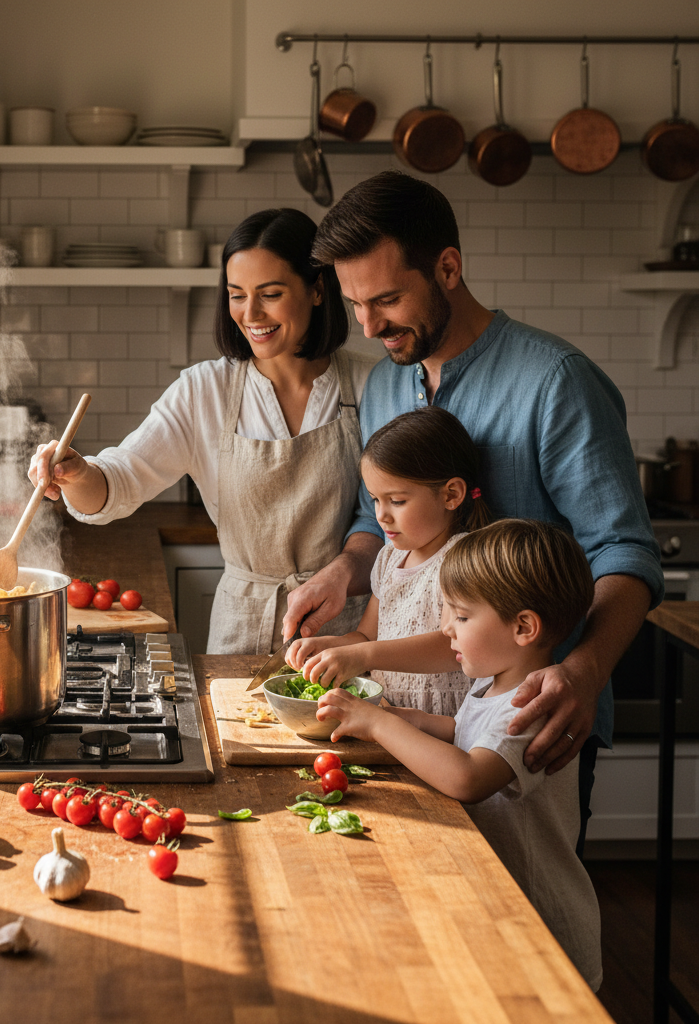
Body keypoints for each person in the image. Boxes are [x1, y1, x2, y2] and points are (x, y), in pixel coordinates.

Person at [282, 170, 663, 851]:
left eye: (389, 299)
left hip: (529, 718)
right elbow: (379, 525)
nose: (370, 326)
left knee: (524, 909)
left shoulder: (554, 381)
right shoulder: (385, 386)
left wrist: (582, 671)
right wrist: (345, 570)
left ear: (448, 269)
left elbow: (624, 552)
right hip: (419, 722)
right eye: (355, 304)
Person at [27, 208, 378, 655]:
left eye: (270, 294)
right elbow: (120, 480)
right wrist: (77, 474)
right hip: (241, 633)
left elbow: (393, 523)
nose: (250, 314)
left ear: (317, 290)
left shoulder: (372, 385)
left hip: (346, 637)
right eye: (236, 295)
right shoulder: (204, 390)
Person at [316, 519, 602, 991]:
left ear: (523, 627)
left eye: (462, 616)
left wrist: (379, 724)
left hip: (542, 925)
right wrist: (409, 720)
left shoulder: (529, 708)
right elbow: (465, 733)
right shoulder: (494, 684)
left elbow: (470, 776)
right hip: (500, 907)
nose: (446, 627)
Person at [286, 405, 491, 716]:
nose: (381, 515)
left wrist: (364, 656)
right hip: (388, 712)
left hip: (440, 722)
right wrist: (332, 645)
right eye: (375, 500)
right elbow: (368, 635)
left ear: (451, 495)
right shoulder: (389, 560)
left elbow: (453, 647)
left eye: (397, 501)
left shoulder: (464, 560)